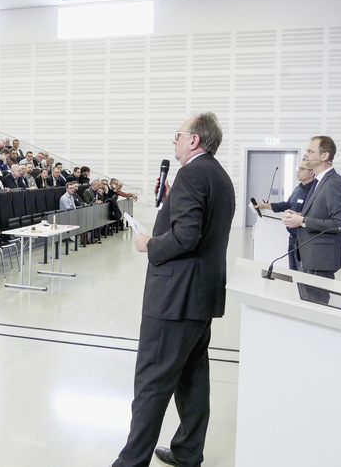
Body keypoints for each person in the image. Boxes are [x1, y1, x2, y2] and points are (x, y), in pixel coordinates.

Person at [113, 112, 235, 467]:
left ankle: (130, 462)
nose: (174, 141)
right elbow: (199, 224)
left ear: (194, 140)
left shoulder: (192, 174)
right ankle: (187, 452)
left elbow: (186, 236)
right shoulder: (217, 174)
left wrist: (148, 244)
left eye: (179, 135)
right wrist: (171, 200)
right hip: (200, 296)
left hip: (175, 299)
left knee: (152, 381)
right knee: (192, 378)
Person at [283, 135, 341, 279]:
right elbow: (320, 214)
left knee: (317, 300)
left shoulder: (334, 183)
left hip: (320, 258)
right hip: (310, 254)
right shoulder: (320, 181)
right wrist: (300, 216)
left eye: (310, 151)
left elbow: (339, 224)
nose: (305, 154)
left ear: (324, 155)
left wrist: (303, 221)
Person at [254, 163, 316, 270]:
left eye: (302, 169)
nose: (298, 171)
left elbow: (314, 214)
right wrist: (264, 205)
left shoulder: (315, 191)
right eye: (298, 168)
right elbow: (286, 205)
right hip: (292, 238)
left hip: (303, 239)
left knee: (302, 272)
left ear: (311, 173)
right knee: (293, 270)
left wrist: (300, 215)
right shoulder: (298, 188)